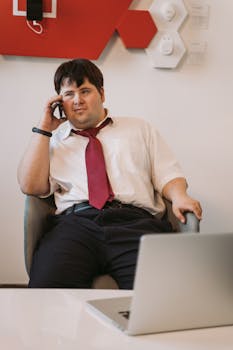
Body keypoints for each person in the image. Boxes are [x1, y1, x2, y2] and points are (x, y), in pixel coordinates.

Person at [17, 58, 202, 289]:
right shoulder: (51, 141)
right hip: (74, 226)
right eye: (68, 94)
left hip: (135, 224)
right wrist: (44, 128)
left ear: (102, 94)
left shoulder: (138, 129)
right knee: (45, 294)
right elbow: (30, 186)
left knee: (162, 295)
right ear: (58, 102)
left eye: (85, 91)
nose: (77, 101)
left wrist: (180, 196)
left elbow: (167, 173)